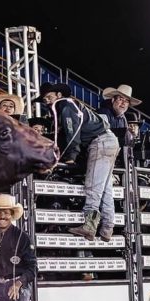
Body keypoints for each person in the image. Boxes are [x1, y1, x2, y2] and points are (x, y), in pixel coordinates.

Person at [32, 82, 119, 242]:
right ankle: (107, 227)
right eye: (45, 100)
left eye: (49, 97)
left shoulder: (64, 105)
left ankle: (90, 226)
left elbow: (72, 133)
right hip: (107, 140)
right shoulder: (72, 105)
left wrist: (70, 156)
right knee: (105, 188)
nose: (48, 102)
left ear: (58, 95)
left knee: (93, 186)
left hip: (99, 142)